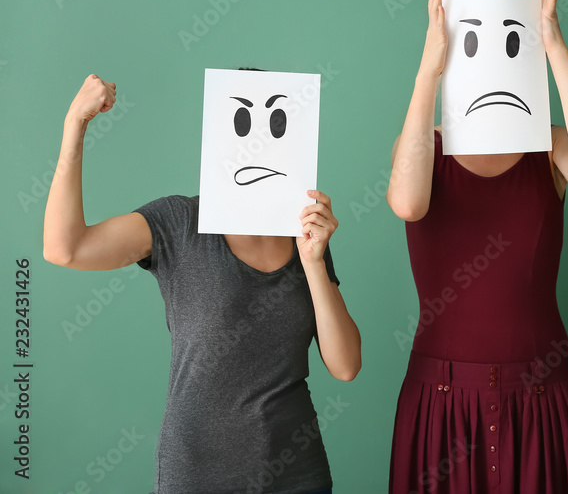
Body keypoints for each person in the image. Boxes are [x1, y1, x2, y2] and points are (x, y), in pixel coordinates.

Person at [43, 73, 361, 494]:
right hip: (198, 475)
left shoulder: (305, 236)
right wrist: (74, 126)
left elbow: (345, 366)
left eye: (278, 126)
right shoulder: (179, 224)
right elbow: (65, 248)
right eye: (243, 124)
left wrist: (315, 262)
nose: (260, 142)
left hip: (296, 474)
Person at [385, 0, 568, 493]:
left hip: (541, 396)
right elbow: (406, 202)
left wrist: (553, 43)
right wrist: (429, 68)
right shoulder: (424, 147)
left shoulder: (549, 146)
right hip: (440, 404)